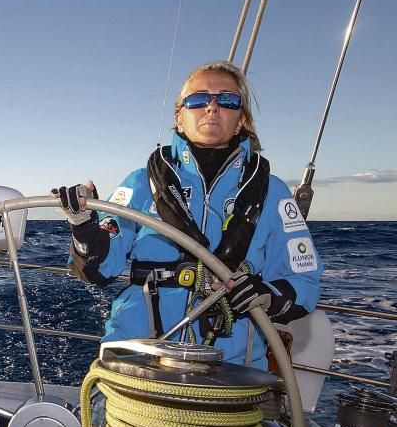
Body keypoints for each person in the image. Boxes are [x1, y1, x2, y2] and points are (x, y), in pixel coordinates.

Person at [59, 60, 321, 367]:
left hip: (231, 366)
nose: (212, 107)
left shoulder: (273, 194)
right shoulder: (141, 184)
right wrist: (83, 224)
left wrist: (268, 296)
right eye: (197, 100)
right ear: (179, 118)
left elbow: (305, 283)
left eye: (227, 100)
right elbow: (97, 270)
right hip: (138, 354)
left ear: (240, 120)